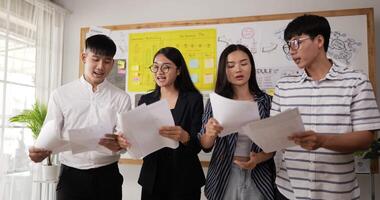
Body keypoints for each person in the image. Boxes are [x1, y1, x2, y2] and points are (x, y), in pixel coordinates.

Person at [272, 14, 380, 200]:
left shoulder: (356, 81)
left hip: (338, 193)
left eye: (297, 42)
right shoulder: (284, 86)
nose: (291, 50)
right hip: (288, 192)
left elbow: (366, 138)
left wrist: (322, 141)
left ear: (319, 40)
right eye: (288, 44)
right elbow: (274, 135)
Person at [28, 34, 131, 200]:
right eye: (95, 59)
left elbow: (124, 141)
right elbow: (49, 133)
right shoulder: (61, 94)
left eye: (106, 61)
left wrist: (120, 144)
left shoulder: (121, 98)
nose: (100, 66)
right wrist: (38, 152)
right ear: (84, 57)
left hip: (107, 174)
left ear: (112, 63)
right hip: (71, 176)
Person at [118, 47, 205, 200]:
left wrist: (185, 137)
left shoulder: (193, 99)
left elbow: (199, 145)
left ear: (178, 70)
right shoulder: (146, 100)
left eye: (166, 67)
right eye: (156, 67)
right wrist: (129, 139)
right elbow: (140, 138)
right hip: (152, 178)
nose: (159, 72)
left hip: (184, 179)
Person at [199, 44, 276, 200]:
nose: (238, 69)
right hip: (224, 175)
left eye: (244, 63)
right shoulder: (216, 102)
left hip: (259, 175)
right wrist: (209, 133)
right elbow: (205, 146)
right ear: (224, 70)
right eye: (231, 65)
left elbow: (275, 145)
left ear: (251, 67)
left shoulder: (267, 101)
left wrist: (258, 159)